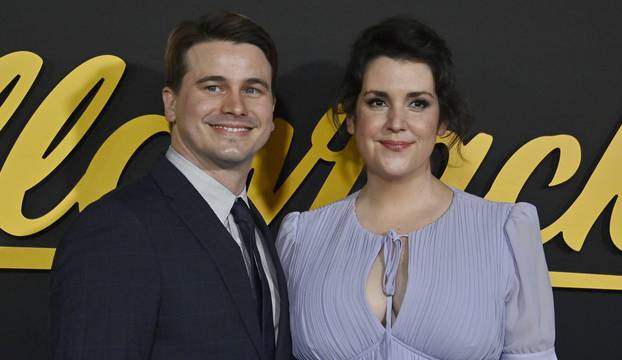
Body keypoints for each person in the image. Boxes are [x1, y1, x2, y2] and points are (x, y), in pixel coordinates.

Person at [276, 16, 557, 360]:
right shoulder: (302, 238)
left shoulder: (503, 233)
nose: (396, 122)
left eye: (417, 103)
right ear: (351, 117)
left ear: (441, 121)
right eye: (377, 102)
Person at [51, 11, 291, 360]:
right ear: (171, 102)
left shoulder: (255, 228)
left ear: (270, 111)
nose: (236, 106)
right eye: (213, 86)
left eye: (252, 89)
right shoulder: (117, 230)